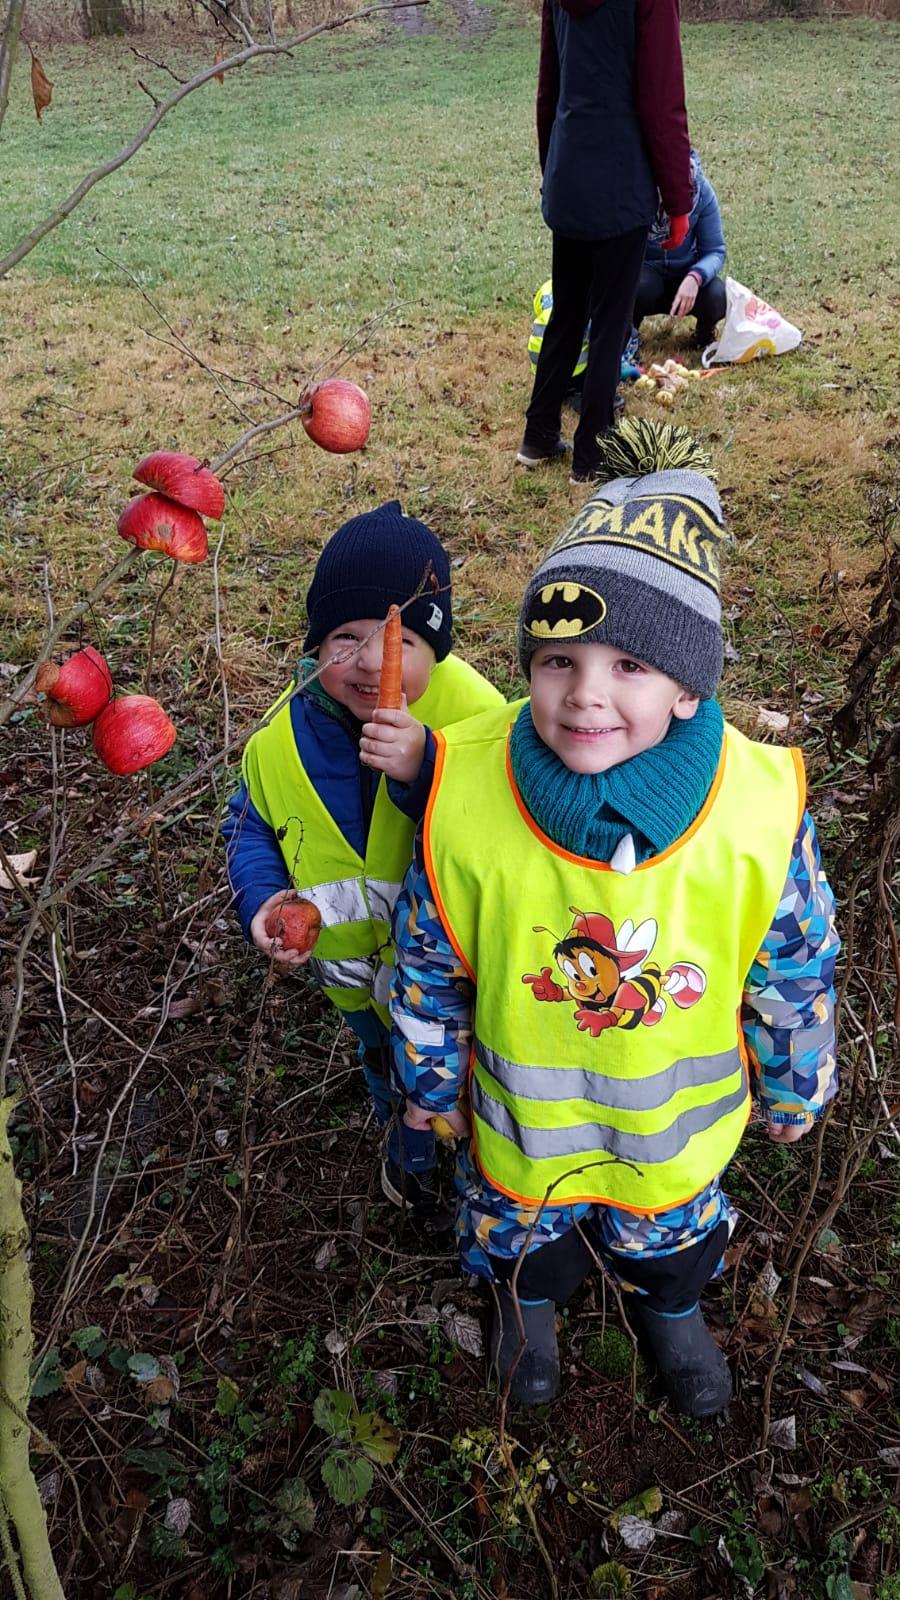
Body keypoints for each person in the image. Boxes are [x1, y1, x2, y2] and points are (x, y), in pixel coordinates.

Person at [390, 426, 839, 1414]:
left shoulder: (756, 813)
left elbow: (793, 966)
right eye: (557, 661)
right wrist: (430, 1081)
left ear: (689, 686)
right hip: (521, 1135)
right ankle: (528, 1302)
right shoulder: (467, 789)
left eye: (630, 665)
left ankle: (669, 1306)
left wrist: (797, 1082)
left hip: (669, 1138)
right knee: (518, 1226)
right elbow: (429, 956)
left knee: (672, 1229)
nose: (586, 693)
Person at [223, 501, 503, 1222]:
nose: (374, 661)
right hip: (355, 977)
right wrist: (263, 900)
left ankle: (480, 1162)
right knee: (385, 1061)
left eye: (403, 639)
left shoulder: (480, 718)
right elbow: (255, 826)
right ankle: (405, 1143)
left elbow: (511, 827)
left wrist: (426, 770)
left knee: (468, 1076)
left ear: (435, 653)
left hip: (456, 981)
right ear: (314, 645)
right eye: (347, 637)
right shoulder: (279, 739)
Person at [517, 0, 694, 486]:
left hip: (570, 170)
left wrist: (552, 169)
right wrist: (679, 199)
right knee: (611, 320)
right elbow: (662, 100)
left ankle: (539, 434)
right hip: (620, 179)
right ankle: (593, 454)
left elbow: (546, 90)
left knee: (569, 310)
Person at [635, 148, 727, 352]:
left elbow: (715, 249)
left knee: (718, 295)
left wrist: (696, 276)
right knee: (637, 287)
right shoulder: (635, 192)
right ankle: (628, 335)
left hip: (685, 274)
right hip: (647, 275)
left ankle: (704, 334)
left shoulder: (702, 193)